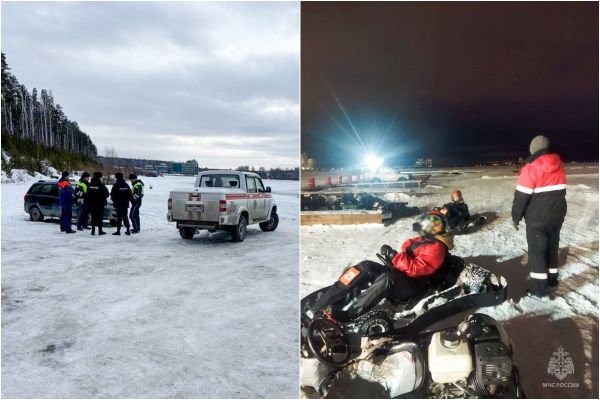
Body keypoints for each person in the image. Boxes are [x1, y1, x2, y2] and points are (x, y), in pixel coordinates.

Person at [313, 210, 454, 321]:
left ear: (443, 227)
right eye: (429, 221)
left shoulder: (437, 248)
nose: (432, 225)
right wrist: (395, 255)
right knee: (366, 267)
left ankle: (349, 315)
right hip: (401, 275)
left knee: (387, 278)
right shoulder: (425, 240)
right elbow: (406, 248)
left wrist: (395, 256)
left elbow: (415, 269)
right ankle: (327, 300)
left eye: (437, 223)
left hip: (411, 286)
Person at [512, 135, 567, 298]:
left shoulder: (531, 168)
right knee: (552, 248)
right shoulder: (560, 165)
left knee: (537, 253)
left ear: (533, 149)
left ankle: (539, 290)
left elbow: (521, 197)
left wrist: (516, 216)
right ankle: (552, 280)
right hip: (557, 216)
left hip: (537, 219)